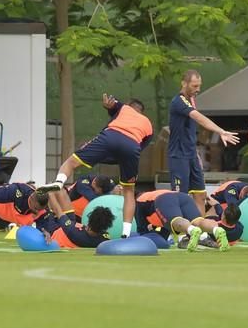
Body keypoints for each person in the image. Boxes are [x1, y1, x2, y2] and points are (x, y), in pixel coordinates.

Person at [43, 93, 153, 239]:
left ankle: (58, 182)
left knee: (71, 162)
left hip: (110, 137)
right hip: (132, 147)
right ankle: (126, 233)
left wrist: (107, 105)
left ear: (130, 106)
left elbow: (112, 105)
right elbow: (139, 148)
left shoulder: (124, 108)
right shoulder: (149, 125)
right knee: (128, 191)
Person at [168, 70, 240, 216]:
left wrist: (195, 154)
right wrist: (221, 131)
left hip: (191, 156)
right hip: (178, 156)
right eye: (194, 86)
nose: (198, 89)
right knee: (180, 197)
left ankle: (200, 232)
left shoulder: (192, 100)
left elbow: (188, 132)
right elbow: (199, 118)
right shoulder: (179, 101)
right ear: (184, 83)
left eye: (199, 86)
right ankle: (181, 233)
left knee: (200, 195)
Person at [135, 189, 230, 252]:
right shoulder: (150, 195)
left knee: (176, 220)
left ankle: (191, 230)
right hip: (183, 197)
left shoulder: (138, 201)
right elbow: (163, 228)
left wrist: (154, 231)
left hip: (164, 199)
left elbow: (142, 230)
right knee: (198, 221)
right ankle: (216, 230)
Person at [37, 188, 114, 248]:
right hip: (73, 226)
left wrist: (49, 193)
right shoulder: (104, 239)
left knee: (54, 198)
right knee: (61, 191)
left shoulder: (74, 233)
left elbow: (58, 211)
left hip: (56, 231)